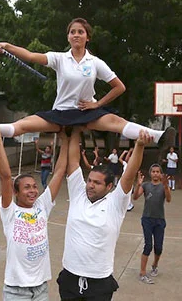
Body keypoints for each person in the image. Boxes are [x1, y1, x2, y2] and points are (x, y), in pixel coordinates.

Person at [0, 18, 176, 150]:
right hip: (61, 113)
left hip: (86, 113)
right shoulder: (59, 58)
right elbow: (30, 55)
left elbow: (119, 87)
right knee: (24, 125)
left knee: (117, 121)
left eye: (81, 32)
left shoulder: (95, 63)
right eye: (72, 32)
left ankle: (158, 136)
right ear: (68, 37)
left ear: (88, 37)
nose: (76, 35)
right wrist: (7, 45)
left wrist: (97, 105)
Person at [56, 127, 153, 300]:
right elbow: (72, 163)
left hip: (99, 282)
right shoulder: (78, 193)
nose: (90, 185)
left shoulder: (116, 203)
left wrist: (139, 146)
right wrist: (77, 128)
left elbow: (129, 175)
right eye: (89, 181)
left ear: (109, 187)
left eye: (97, 183)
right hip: (69, 278)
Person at [0, 122, 69, 301]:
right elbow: (6, 176)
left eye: (34, 186)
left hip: (40, 288)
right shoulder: (10, 211)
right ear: (16, 192)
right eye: (26, 187)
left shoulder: (42, 205)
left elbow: (60, 171)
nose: (33, 191)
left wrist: (65, 138)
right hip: (16, 291)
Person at [133, 164, 171, 284]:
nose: (155, 173)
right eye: (153, 171)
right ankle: (142, 272)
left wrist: (166, 186)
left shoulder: (163, 186)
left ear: (161, 174)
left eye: (157, 172)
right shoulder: (146, 185)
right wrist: (138, 183)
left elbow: (169, 199)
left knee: (158, 247)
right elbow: (135, 197)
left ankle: (154, 265)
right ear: (150, 173)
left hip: (159, 220)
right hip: (147, 219)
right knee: (148, 245)